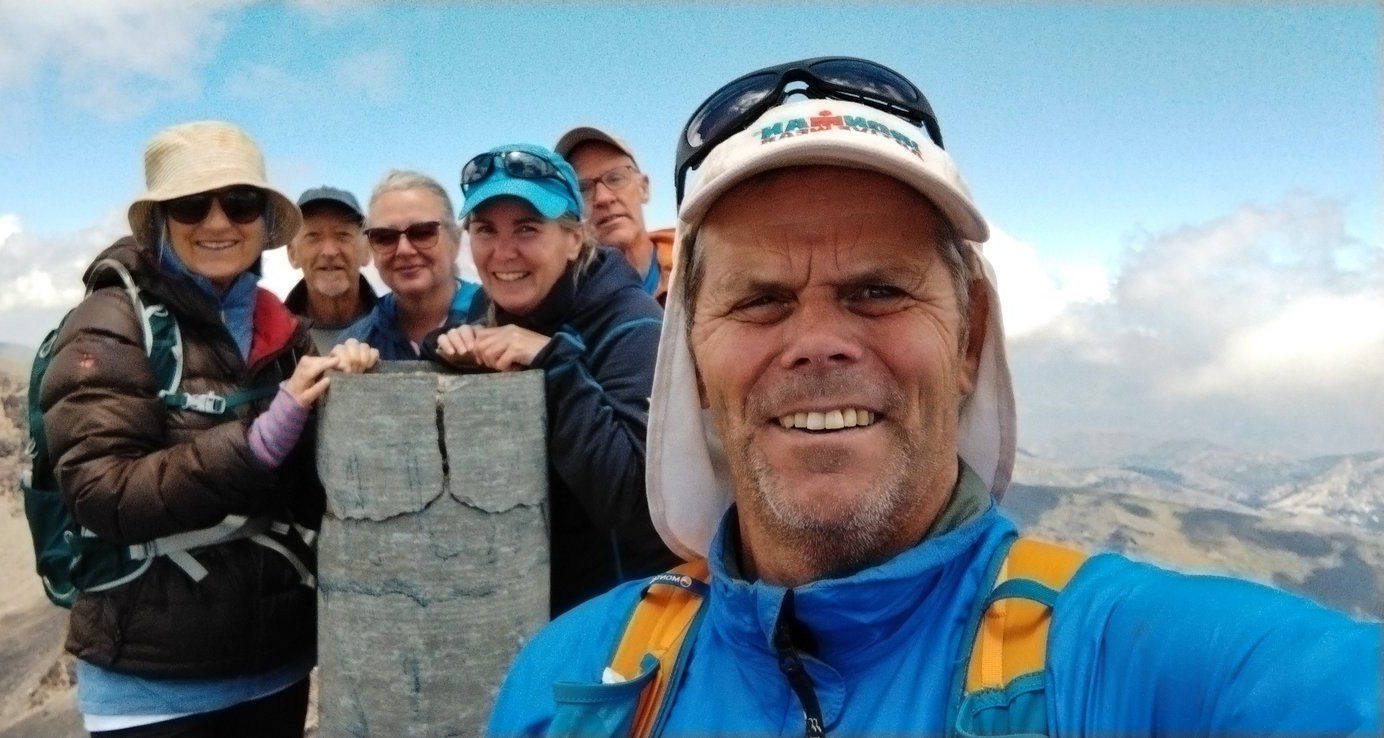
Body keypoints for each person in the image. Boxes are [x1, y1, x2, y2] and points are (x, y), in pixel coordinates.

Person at [491, 58, 1380, 736]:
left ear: (968, 337)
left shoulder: (1135, 661)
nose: (816, 343)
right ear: (691, 356)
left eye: (878, 290)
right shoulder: (569, 681)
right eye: (760, 300)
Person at [40, 121, 377, 736]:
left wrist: (351, 402)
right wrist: (258, 440)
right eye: (193, 204)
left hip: (278, 668)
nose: (219, 222)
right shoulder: (109, 322)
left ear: (262, 222)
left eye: (240, 202)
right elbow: (101, 494)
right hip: (152, 689)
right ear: (163, 219)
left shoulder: (283, 330)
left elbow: (309, 492)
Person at [433, 143, 681, 616]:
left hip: (622, 619)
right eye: (486, 230)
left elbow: (641, 506)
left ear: (573, 239)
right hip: (528, 611)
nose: (504, 252)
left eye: (528, 228)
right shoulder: (481, 311)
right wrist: (450, 350)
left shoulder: (632, 322)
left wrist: (555, 365)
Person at [341, 170, 487, 359]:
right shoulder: (355, 343)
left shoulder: (498, 320)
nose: (404, 250)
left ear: (455, 241)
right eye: (384, 237)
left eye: (423, 232)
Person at [554, 126, 675, 302]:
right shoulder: (562, 301)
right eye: (583, 188)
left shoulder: (703, 264)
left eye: (616, 178)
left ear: (644, 188)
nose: (603, 198)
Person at [283, 186, 378, 352]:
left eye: (343, 235)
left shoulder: (401, 329)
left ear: (367, 250)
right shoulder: (268, 337)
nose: (329, 251)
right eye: (313, 237)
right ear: (292, 253)